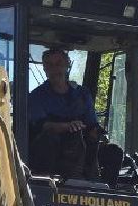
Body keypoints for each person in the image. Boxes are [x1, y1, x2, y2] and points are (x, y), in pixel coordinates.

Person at [26, 47, 122, 184]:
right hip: (50, 150)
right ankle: (45, 186)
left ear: (67, 65)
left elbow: (91, 125)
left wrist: (95, 132)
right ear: (45, 69)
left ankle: (106, 195)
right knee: (49, 140)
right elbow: (42, 126)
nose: (55, 69)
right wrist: (67, 126)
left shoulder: (82, 94)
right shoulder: (36, 96)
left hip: (80, 145)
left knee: (114, 152)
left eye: (59, 63)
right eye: (49, 65)